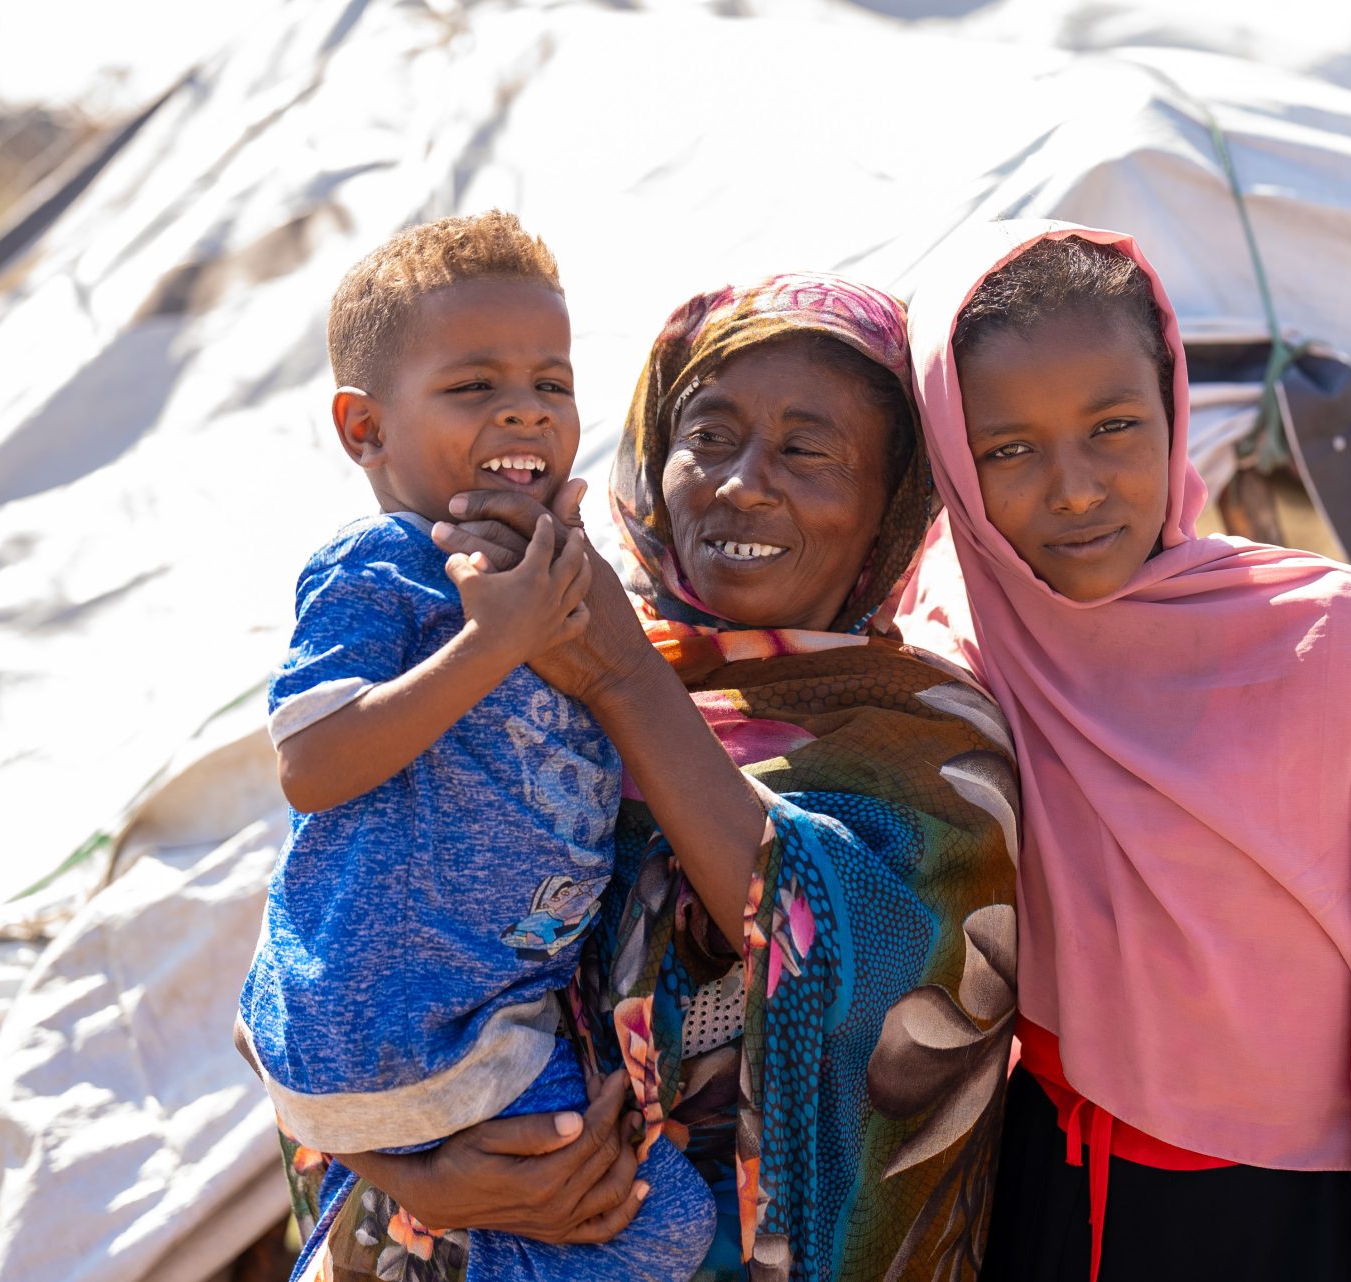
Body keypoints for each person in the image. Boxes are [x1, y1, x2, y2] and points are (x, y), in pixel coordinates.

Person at [281, 273, 1021, 1282]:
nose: (742, 483)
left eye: (809, 451)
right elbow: (322, 930)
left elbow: (870, 976)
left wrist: (628, 681)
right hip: (438, 1232)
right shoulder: (523, 637)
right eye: (708, 436)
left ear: (891, 501)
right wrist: (418, 1164)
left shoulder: (926, 737)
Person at [897, 220, 1351, 1281]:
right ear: (952, 456)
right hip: (1046, 1203)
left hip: (1300, 1227)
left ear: (1174, 410)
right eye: (1008, 449)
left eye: (1114, 426)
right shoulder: (950, 662)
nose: (1076, 488)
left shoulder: (1333, 644)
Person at [238, 211, 716, 1282]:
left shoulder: (550, 568)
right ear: (364, 429)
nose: (524, 409)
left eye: (552, 383)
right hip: (409, 1028)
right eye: (474, 386)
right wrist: (495, 639)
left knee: (600, 1217)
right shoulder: (386, 561)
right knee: (650, 1220)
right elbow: (310, 763)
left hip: (478, 1016)